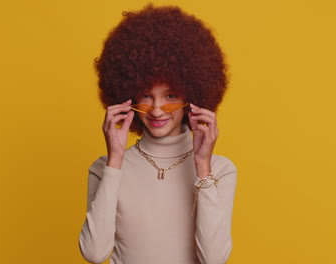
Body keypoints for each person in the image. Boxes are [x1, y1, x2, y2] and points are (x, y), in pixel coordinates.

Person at [79, 4, 237, 264]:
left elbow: (214, 259)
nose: (156, 110)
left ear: (191, 96)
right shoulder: (105, 168)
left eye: (170, 96)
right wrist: (115, 161)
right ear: (129, 96)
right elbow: (94, 254)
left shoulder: (219, 171)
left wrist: (201, 166)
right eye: (146, 95)